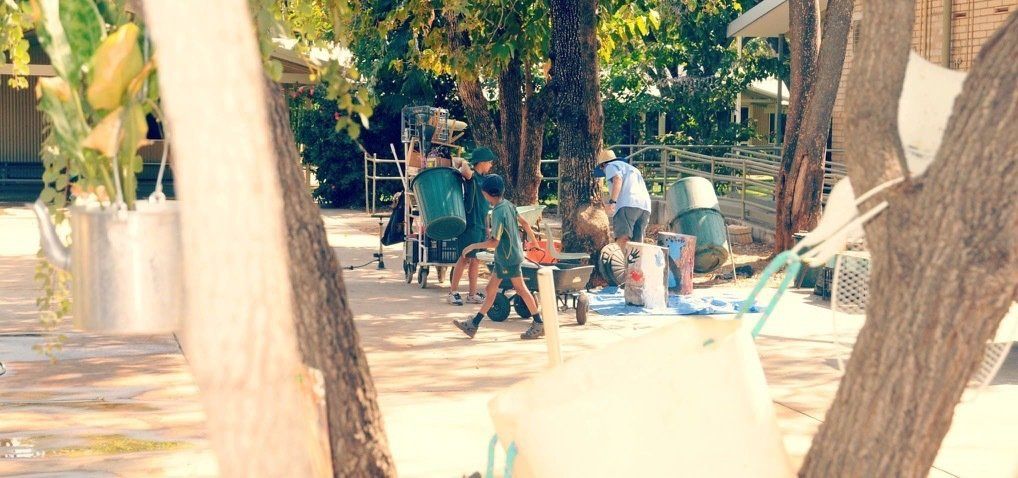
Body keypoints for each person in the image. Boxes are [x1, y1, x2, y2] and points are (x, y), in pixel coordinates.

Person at [453, 175, 545, 340]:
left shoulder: (497, 212)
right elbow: (524, 223)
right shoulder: (508, 204)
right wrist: (534, 241)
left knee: (521, 289)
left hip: (507, 258)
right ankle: (473, 324)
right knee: (490, 290)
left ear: (487, 194)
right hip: (507, 256)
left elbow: (494, 242)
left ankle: (539, 323)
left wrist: (473, 246)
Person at [446, 147, 496, 306]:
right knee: (465, 257)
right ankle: (453, 292)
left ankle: (472, 294)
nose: (491, 165)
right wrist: (469, 160)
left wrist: (487, 228)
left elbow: (485, 207)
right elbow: (461, 165)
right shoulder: (471, 176)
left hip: (481, 225)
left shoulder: (485, 180)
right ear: (481, 162)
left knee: (476, 260)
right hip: (470, 224)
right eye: (489, 162)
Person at [595, 149, 652, 253]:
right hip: (645, 206)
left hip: (627, 204)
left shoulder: (610, 166)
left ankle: (620, 267)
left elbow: (617, 178)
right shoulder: (632, 169)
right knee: (638, 243)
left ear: (602, 165)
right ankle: (635, 268)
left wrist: (612, 202)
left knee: (623, 238)